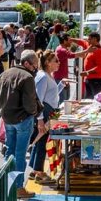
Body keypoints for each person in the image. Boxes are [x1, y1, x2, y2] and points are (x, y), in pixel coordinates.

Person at [0, 49, 43, 199]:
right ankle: (18, 187)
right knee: (20, 154)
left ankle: (6, 185)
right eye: (34, 66)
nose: (35, 70)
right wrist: (33, 113)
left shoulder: (5, 73)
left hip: (8, 119)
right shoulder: (27, 78)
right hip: (22, 120)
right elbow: (30, 104)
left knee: (10, 152)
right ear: (27, 63)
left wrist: (3, 110)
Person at [29, 51, 61, 182]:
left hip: (49, 110)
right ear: (48, 62)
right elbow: (39, 99)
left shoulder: (47, 75)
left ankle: (35, 169)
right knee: (42, 142)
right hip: (45, 112)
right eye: (56, 61)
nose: (58, 63)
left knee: (40, 141)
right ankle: (39, 172)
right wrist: (40, 119)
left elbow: (51, 95)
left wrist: (61, 86)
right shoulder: (43, 76)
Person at [81, 32, 101, 99]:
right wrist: (71, 39)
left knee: (97, 99)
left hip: (96, 79)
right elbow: (82, 42)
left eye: (89, 39)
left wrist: (87, 72)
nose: (88, 41)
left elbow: (100, 67)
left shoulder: (99, 51)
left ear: (95, 39)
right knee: (89, 99)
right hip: (89, 78)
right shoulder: (91, 47)